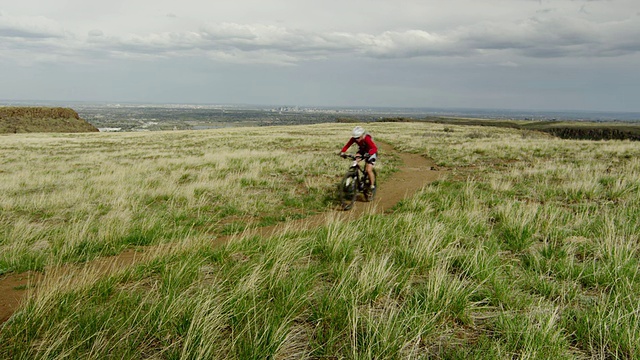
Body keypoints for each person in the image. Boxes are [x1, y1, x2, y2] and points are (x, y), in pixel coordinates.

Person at [340, 126, 378, 190]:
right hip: (362, 151)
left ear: (362, 135)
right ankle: (354, 175)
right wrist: (342, 152)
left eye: (358, 137)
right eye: (355, 138)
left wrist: (369, 154)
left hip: (371, 152)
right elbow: (347, 145)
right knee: (355, 160)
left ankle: (372, 185)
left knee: (368, 169)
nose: (356, 139)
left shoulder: (367, 138)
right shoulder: (354, 138)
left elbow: (374, 148)